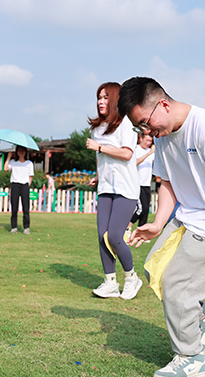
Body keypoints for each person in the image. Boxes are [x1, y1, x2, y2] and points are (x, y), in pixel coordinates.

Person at [118, 77, 205, 377]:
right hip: (188, 215)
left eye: (146, 123)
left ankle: (190, 359)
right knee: (157, 271)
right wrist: (158, 223)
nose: (148, 133)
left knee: (179, 287)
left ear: (163, 104)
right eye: (141, 129)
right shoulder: (163, 136)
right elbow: (168, 183)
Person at [85, 82, 143, 300]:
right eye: (99, 97)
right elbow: (102, 159)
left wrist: (99, 147)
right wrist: (98, 177)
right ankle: (110, 282)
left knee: (115, 236)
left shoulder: (127, 124)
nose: (101, 101)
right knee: (102, 236)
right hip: (105, 188)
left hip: (125, 188)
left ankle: (131, 277)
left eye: (105, 97)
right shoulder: (97, 128)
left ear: (116, 100)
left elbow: (127, 154)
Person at [127, 133, 155, 233]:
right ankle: (128, 226)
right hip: (137, 184)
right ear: (141, 138)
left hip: (147, 184)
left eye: (150, 141)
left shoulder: (151, 151)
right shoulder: (136, 149)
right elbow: (134, 163)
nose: (148, 143)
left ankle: (141, 232)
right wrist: (148, 153)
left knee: (146, 209)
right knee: (141, 209)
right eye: (146, 140)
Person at [4, 146, 34, 235]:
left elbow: (31, 176)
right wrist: (9, 157)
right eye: (19, 151)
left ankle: (26, 227)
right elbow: (5, 168)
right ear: (16, 152)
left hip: (24, 185)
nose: (21, 152)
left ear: (25, 152)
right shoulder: (13, 162)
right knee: (14, 207)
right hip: (15, 184)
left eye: (22, 151)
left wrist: (27, 185)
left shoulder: (29, 163)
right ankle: (14, 227)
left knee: (26, 207)